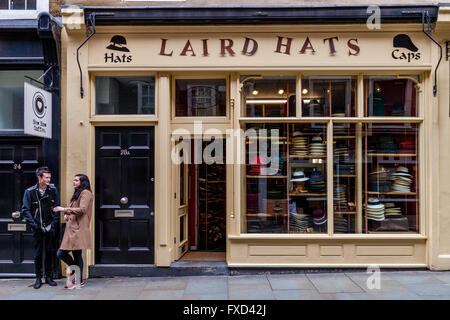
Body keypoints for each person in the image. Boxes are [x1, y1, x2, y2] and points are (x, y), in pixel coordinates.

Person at [22, 166, 60, 289]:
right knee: (38, 254)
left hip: (50, 226)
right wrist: (34, 225)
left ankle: (48, 277)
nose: (49, 180)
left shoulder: (53, 190)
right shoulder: (30, 192)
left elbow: (57, 208)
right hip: (37, 227)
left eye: (49, 177)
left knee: (49, 252)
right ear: (39, 177)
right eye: (46, 177)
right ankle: (38, 277)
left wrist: (53, 224)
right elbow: (26, 210)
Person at [53, 174, 93, 290]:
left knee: (61, 253)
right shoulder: (78, 193)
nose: (73, 182)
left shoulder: (85, 193)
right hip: (72, 229)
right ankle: (78, 279)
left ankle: (77, 278)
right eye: (73, 179)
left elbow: (82, 210)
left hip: (78, 229)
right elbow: (76, 208)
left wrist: (64, 209)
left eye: (76, 180)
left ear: (83, 181)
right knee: (76, 255)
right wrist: (67, 214)